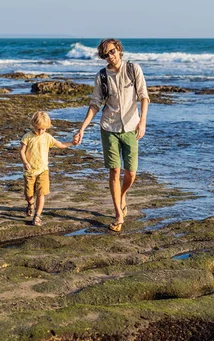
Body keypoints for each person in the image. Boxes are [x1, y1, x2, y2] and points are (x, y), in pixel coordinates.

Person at [73, 39, 150, 232]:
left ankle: (122, 195)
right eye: (106, 54)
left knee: (130, 173)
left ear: (119, 50)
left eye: (112, 51)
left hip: (131, 127)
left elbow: (144, 96)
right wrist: (82, 128)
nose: (110, 56)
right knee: (114, 171)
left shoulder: (133, 69)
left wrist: (143, 121)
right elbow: (95, 104)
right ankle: (118, 214)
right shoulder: (102, 77)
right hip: (109, 128)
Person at [20, 111, 75, 226]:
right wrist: (25, 162)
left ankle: (37, 215)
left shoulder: (47, 137)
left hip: (43, 170)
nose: (41, 131)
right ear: (33, 125)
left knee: (41, 193)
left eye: (44, 129)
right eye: (38, 128)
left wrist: (72, 143)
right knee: (29, 194)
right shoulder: (27, 137)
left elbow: (59, 144)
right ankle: (30, 204)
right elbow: (22, 151)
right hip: (30, 171)